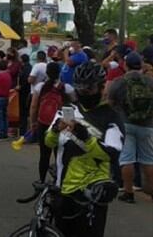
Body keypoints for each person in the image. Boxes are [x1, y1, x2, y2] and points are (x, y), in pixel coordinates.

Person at [45, 62, 123, 237]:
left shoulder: (111, 117)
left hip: (91, 194)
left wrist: (86, 138)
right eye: (79, 88)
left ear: (102, 87)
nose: (83, 92)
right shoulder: (68, 110)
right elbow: (49, 142)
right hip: (63, 188)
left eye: (89, 89)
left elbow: (111, 154)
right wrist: (55, 130)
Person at [108, 52, 153, 203]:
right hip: (147, 125)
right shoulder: (150, 81)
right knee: (148, 159)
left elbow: (111, 101)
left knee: (127, 158)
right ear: (141, 65)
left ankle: (128, 192)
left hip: (125, 123)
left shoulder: (120, 81)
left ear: (125, 65)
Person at [29, 62, 76, 181]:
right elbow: (74, 105)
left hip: (43, 123)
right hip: (61, 123)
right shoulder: (67, 88)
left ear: (47, 73)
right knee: (60, 154)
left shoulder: (40, 87)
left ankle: (42, 180)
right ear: (59, 72)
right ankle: (59, 180)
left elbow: (34, 106)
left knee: (44, 155)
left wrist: (33, 122)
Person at [18, 53, 32, 136]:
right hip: (27, 92)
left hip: (24, 93)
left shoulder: (25, 69)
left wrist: (20, 87)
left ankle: (23, 131)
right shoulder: (29, 67)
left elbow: (25, 81)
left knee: (23, 113)